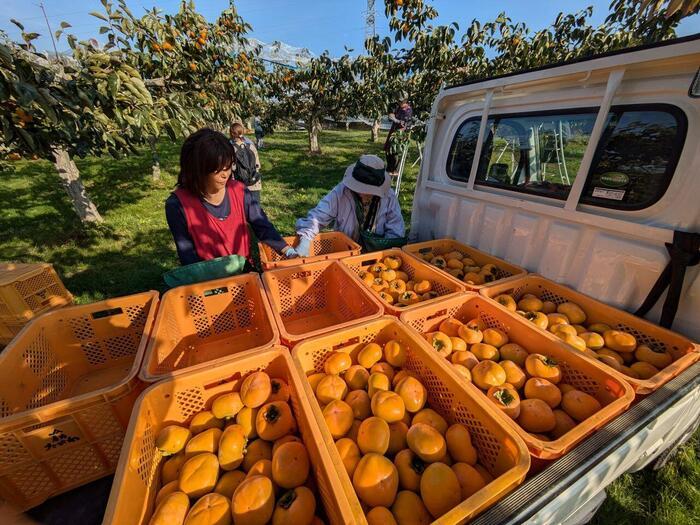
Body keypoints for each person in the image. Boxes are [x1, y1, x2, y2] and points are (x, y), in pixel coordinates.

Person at [165, 128, 297, 266]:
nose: (225, 175)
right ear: (198, 169)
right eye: (218, 169)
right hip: (209, 280)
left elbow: (262, 225)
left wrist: (288, 251)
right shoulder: (178, 205)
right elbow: (188, 256)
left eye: (228, 167)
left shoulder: (238, 191)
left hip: (245, 276)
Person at [294, 154, 406, 255]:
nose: (363, 193)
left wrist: (386, 253)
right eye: (360, 188)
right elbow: (318, 217)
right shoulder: (341, 192)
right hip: (346, 251)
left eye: (369, 190)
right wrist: (305, 240)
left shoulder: (389, 197)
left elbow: (395, 230)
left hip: (378, 255)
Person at [230, 122, 262, 204]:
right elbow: (257, 165)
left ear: (231, 134)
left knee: (242, 210)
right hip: (254, 182)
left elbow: (231, 168)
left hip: (239, 185)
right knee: (255, 209)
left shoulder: (231, 149)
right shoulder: (251, 145)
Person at [384, 93, 413, 176]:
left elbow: (406, 123)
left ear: (405, 100)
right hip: (394, 131)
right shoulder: (398, 107)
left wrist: (400, 123)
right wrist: (396, 120)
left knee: (395, 150)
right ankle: (389, 169)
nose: (398, 102)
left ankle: (394, 170)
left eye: (400, 101)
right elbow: (391, 116)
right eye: (398, 100)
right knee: (388, 150)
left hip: (401, 133)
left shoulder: (408, 110)